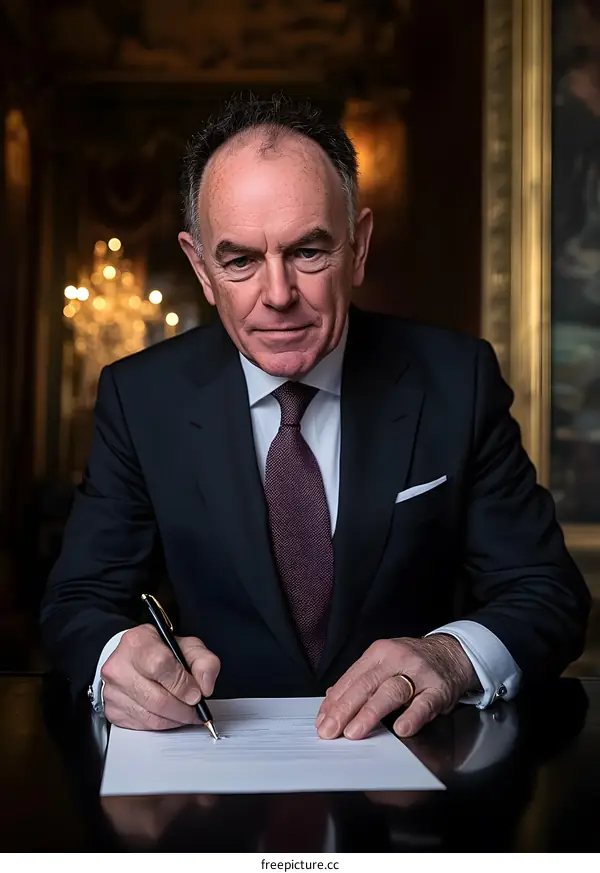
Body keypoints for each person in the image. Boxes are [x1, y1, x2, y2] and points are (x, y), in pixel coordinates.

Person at [41, 94, 591, 742]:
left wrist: (450, 658)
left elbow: (547, 593)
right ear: (200, 267)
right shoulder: (141, 398)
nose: (277, 295)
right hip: (213, 789)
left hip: (409, 792)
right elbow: (77, 601)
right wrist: (114, 661)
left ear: (357, 248)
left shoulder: (456, 380)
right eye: (240, 260)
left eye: (308, 252)